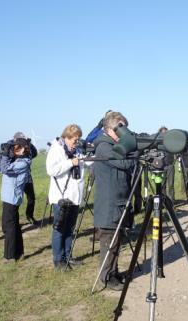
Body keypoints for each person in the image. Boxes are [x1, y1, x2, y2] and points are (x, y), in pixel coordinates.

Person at [93, 111, 136, 291]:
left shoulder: (111, 144)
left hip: (117, 201)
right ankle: (107, 277)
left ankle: (114, 272)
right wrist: (134, 151)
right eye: (121, 128)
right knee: (109, 243)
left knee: (116, 241)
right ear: (111, 130)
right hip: (109, 204)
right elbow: (124, 164)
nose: (124, 133)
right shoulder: (104, 146)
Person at [46, 124, 90, 270]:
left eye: (77, 140)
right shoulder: (56, 150)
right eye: (74, 140)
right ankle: (58, 260)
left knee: (70, 228)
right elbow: (51, 170)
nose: (76, 142)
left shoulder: (77, 150)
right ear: (67, 137)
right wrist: (70, 162)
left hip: (75, 196)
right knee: (59, 229)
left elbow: (88, 162)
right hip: (61, 198)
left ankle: (68, 256)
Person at [0, 138, 32, 262]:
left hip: (12, 198)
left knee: (9, 227)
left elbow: (5, 169)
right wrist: (2, 154)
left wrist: (5, 155)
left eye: (17, 147)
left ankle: (9, 256)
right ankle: (19, 253)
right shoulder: (14, 160)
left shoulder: (24, 163)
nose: (14, 150)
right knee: (13, 226)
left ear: (24, 149)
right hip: (7, 197)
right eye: (14, 148)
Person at [10, 132, 38, 225]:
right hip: (16, 179)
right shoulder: (12, 148)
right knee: (16, 199)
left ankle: (30, 216)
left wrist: (29, 143)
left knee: (31, 198)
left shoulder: (27, 148)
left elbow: (35, 153)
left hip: (27, 177)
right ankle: (15, 220)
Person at [159, 126, 175, 201]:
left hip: (170, 165)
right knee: (162, 185)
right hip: (162, 166)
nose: (164, 134)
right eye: (163, 133)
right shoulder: (158, 143)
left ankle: (171, 201)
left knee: (171, 184)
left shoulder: (171, 142)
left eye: (166, 133)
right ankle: (164, 201)